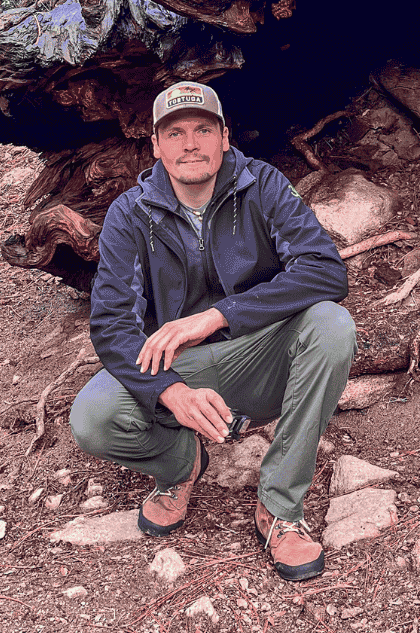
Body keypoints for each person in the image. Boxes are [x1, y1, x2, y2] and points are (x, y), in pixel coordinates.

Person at [70, 81, 355, 581]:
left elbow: (325, 270)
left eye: (203, 129)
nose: (190, 144)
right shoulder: (129, 215)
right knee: (93, 418)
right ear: (155, 147)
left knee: (331, 324)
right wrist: (170, 390)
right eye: (174, 133)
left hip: (261, 354)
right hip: (182, 368)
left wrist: (220, 315)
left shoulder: (261, 184)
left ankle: (280, 507)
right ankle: (181, 465)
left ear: (225, 137)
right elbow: (113, 324)